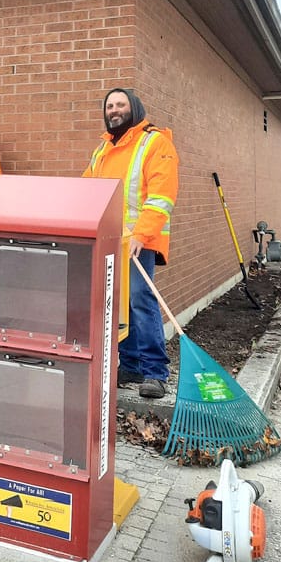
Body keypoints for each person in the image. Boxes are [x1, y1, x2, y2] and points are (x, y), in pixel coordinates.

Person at [83, 87, 179, 399]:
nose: (114, 110)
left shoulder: (154, 142)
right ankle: (132, 364)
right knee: (118, 303)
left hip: (140, 241)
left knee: (140, 299)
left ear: (134, 108)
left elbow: (162, 196)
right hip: (111, 242)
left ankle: (155, 371)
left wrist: (141, 234)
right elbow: (86, 190)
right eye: (109, 106)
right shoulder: (102, 150)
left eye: (120, 104)